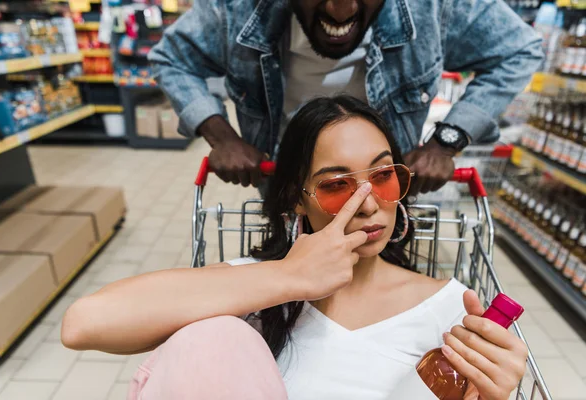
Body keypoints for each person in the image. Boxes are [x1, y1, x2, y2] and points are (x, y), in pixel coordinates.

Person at [61, 96, 528, 399]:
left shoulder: (452, 310)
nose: (367, 204)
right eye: (337, 184)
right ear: (295, 199)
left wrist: (493, 393)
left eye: (383, 175)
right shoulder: (254, 289)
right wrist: (286, 277)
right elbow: (85, 323)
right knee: (212, 336)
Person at [148, 0, 543, 194]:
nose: (342, 11)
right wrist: (224, 137)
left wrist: (447, 141)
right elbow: (172, 58)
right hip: (287, 195)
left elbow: (519, 48)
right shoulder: (235, 9)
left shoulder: (432, 8)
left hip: (385, 203)